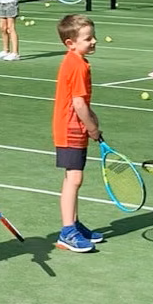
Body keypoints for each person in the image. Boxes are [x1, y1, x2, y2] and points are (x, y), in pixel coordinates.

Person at [52, 14, 103, 253]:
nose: (93, 41)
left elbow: (82, 103)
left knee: (73, 179)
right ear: (70, 43)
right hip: (70, 130)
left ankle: (73, 223)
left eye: (93, 37)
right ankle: (67, 231)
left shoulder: (75, 61)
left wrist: (92, 121)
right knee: (74, 179)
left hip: (74, 128)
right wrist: (92, 126)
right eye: (88, 38)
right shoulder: (77, 65)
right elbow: (78, 103)